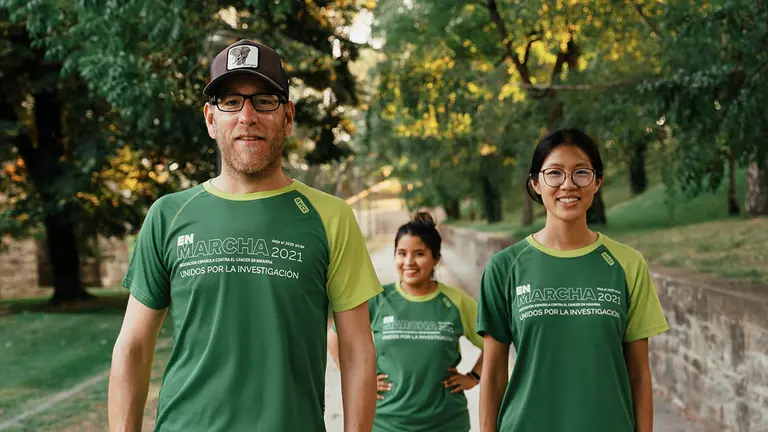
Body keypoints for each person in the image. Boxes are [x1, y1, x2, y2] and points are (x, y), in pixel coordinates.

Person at [108, 39, 381, 432]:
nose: (247, 116)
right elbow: (132, 349)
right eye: (231, 102)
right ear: (210, 118)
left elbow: (357, 351)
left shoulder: (331, 217)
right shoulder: (168, 215)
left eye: (264, 101)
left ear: (287, 117)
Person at [477, 128, 670, 432]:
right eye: (554, 173)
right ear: (536, 183)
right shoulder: (504, 267)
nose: (568, 184)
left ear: (597, 181)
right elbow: (493, 374)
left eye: (581, 172)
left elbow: (639, 374)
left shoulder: (628, 264)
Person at [329, 212, 485, 432]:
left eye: (419, 253)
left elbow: (495, 342)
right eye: (401, 253)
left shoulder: (457, 301)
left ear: (436, 258)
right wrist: (357, 379)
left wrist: (474, 376)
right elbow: (335, 335)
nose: (409, 262)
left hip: (445, 424)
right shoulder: (378, 298)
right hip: (385, 423)